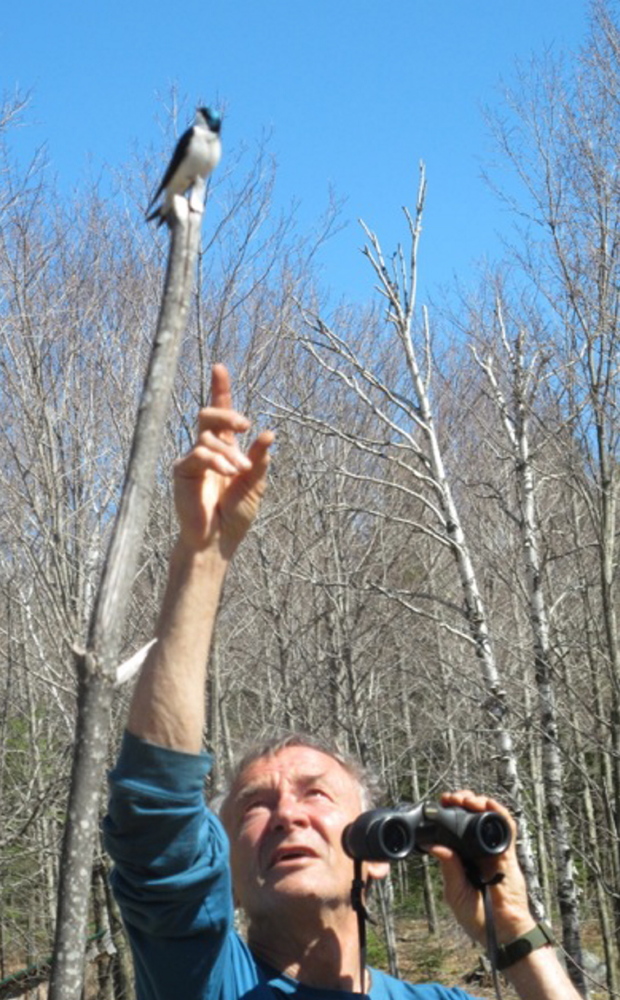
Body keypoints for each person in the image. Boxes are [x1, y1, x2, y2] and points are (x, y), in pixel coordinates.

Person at [103, 365, 582, 1000]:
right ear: (230, 873)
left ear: (379, 850)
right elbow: (155, 814)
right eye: (253, 806)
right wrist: (202, 557)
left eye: (317, 794)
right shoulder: (207, 980)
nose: (286, 815)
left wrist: (515, 927)